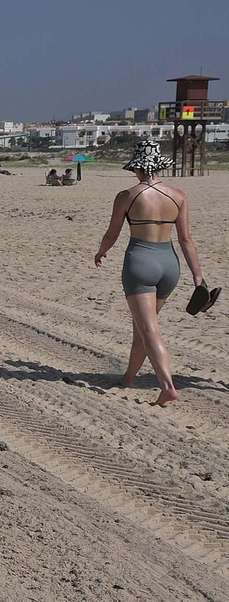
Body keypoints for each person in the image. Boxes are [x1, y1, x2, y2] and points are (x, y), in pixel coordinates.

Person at [94, 140, 207, 406]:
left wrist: (101, 252)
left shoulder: (127, 195)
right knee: (141, 328)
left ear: (138, 168)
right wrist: (197, 277)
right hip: (170, 264)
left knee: (148, 328)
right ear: (159, 167)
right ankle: (129, 378)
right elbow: (187, 240)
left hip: (140, 262)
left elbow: (112, 233)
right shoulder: (178, 195)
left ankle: (167, 386)